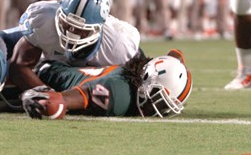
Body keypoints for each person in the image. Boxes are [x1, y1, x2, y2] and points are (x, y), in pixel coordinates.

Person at [9, 0, 140, 92]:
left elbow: (136, 77)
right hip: (49, 66)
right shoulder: (44, 20)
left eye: (80, 30)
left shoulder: (119, 41)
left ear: (98, 29)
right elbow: (18, 66)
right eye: (67, 24)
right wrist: (47, 95)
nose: (71, 32)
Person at [21, 49, 192, 118]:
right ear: (146, 78)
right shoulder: (120, 95)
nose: (158, 108)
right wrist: (56, 100)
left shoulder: (136, 69)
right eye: (159, 100)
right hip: (41, 71)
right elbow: (79, 96)